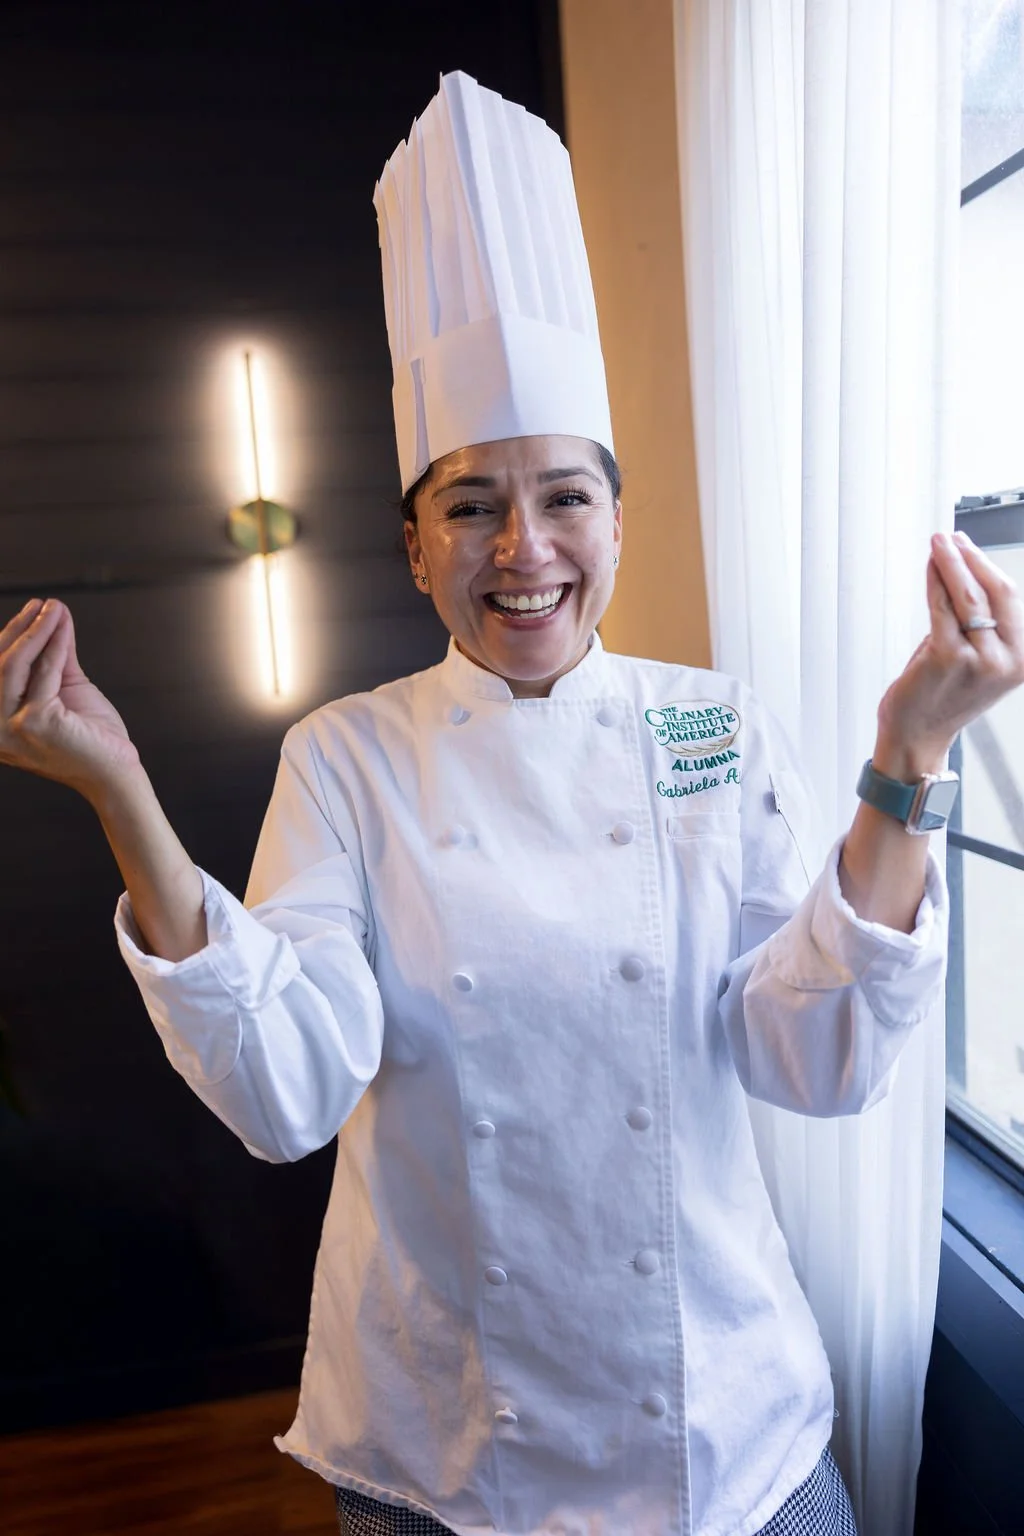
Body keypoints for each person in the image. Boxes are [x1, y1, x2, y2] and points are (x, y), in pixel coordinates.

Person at [1, 72, 1022, 1536]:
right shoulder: (346, 758)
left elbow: (813, 1053)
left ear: (619, 521)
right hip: (451, 1445)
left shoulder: (712, 724)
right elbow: (289, 1089)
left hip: (726, 1432)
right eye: (471, 505)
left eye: (565, 498)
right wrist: (118, 788)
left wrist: (912, 752)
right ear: (416, 548)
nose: (523, 548)